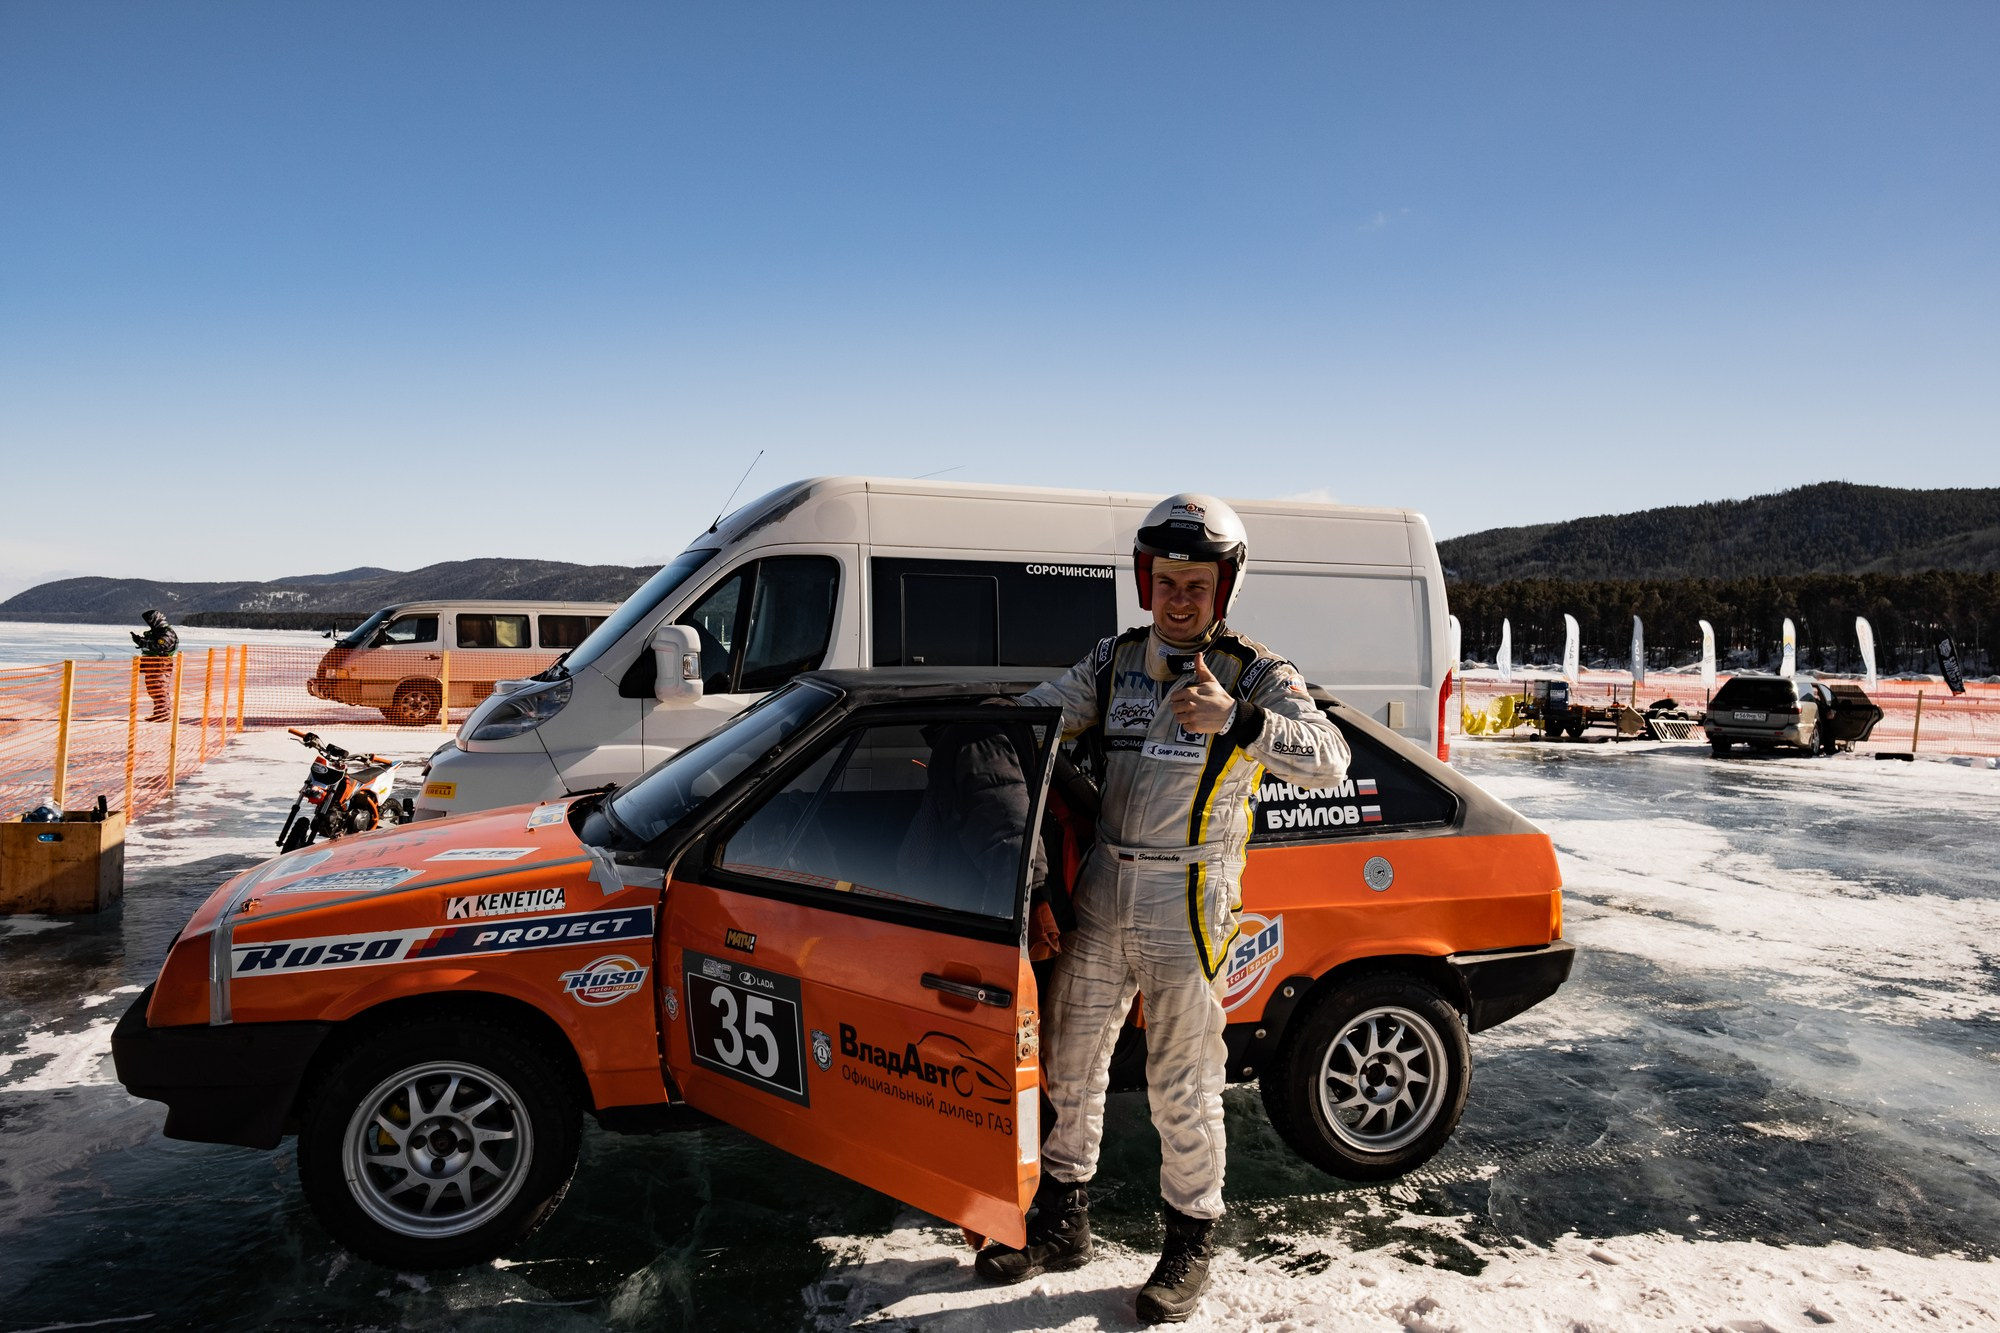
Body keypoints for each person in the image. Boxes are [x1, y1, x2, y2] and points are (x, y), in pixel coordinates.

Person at [976, 494, 1350, 1323]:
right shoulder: (1114, 662)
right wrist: (988, 722)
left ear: (1226, 586)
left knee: (1181, 1080)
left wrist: (1240, 719)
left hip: (1191, 891)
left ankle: (1188, 1241)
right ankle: (1060, 1221)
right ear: (1147, 582)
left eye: (1198, 585)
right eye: (1168, 582)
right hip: (1108, 882)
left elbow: (1330, 758)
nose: (1181, 599)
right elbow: (1043, 717)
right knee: (1071, 1062)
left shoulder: (1255, 669)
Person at [131, 609, 179, 722]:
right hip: (152, 665)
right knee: (153, 690)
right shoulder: (157, 632)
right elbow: (153, 644)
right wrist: (140, 640)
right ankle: (159, 713)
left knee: (160, 689)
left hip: (161, 665)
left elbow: (160, 645)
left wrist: (142, 642)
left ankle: (163, 714)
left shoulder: (167, 632)